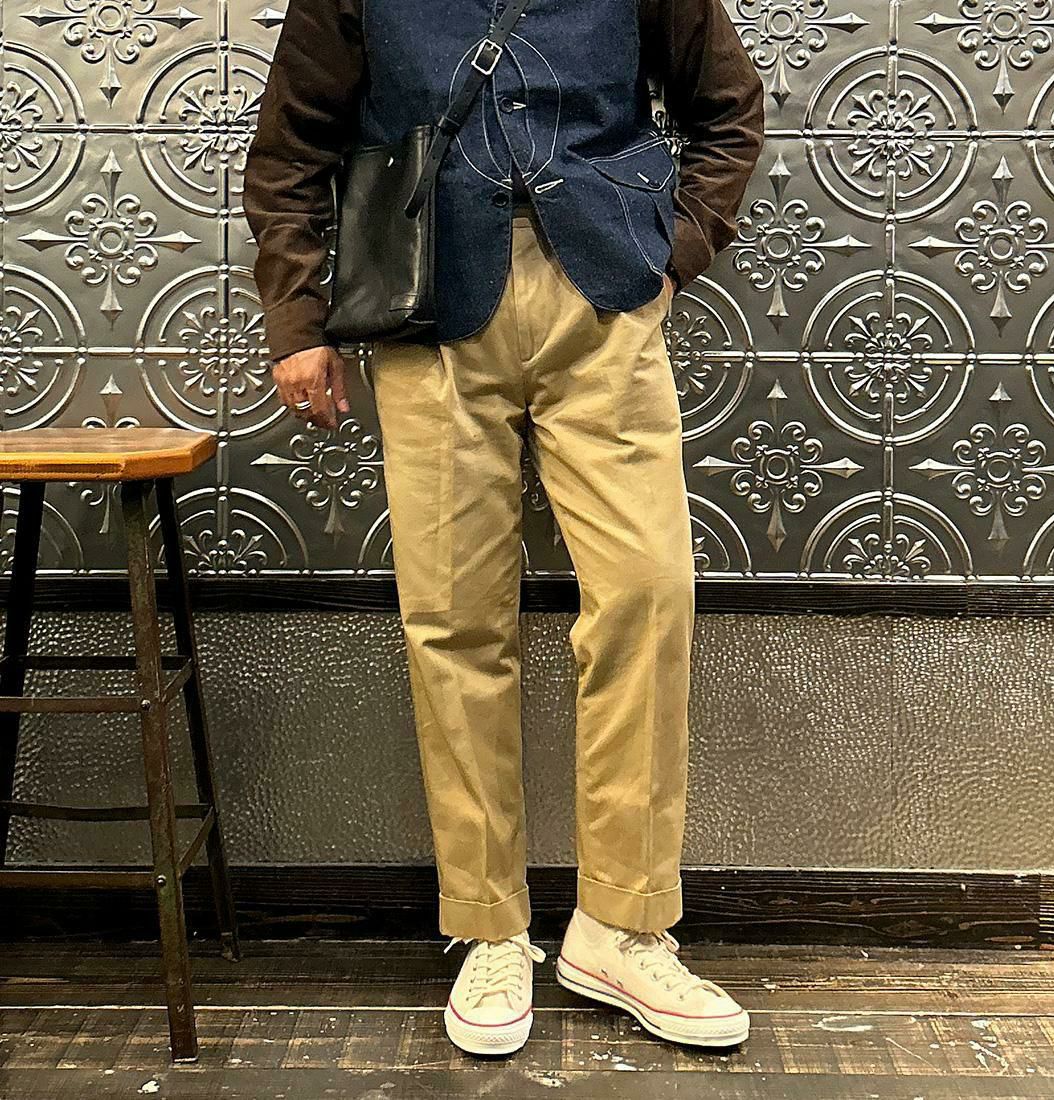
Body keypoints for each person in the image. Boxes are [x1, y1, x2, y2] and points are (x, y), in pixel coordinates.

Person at [243, 0, 764, 1057]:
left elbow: (728, 107)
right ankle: (488, 926)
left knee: (648, 596)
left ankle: (621, 924)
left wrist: (674, 252)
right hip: (427, 308)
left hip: (604, 304)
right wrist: (295, 318)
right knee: (452, 618)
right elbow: (292, 147)